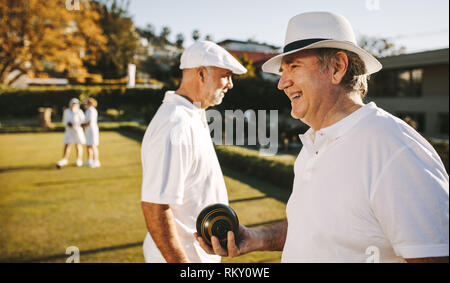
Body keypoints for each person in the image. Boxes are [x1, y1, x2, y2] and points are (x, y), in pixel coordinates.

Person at [195, 12, 449, 263]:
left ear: (337, 68)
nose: (281, 83)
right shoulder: (313, 144)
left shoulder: (394, 148)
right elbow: (312, 227)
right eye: (282, 71)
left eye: (294, 66)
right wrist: (255, 238)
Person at [140, 41, 247, 263]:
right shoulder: (176, 125)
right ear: (201, 74)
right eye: (225, 76)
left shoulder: (191, 115)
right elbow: (155, 206)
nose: (230, 84)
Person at [56, 98, 86, 168]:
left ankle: (79, 160)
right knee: (67, 144)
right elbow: (64, 121)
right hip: (69, 130)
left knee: (78, 145)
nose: (74, 105)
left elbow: (83, 121)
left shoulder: (79, 111)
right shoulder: (66, 111)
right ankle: (64, 159)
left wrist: (77, 124)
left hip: (77, 130)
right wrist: (68, 124)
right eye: (73, 103)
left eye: (75, 104)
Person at [82, 98, 101, 168]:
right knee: (88, 145)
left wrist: (82, 126)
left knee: (93, 145)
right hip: (88, 130)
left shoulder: (91, 110)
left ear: (88, 104)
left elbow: (90, 122)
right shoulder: (88, 111)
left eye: (85, 103)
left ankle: (96, 161)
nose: (84, 105)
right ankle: (90, 160)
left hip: (92, 130)